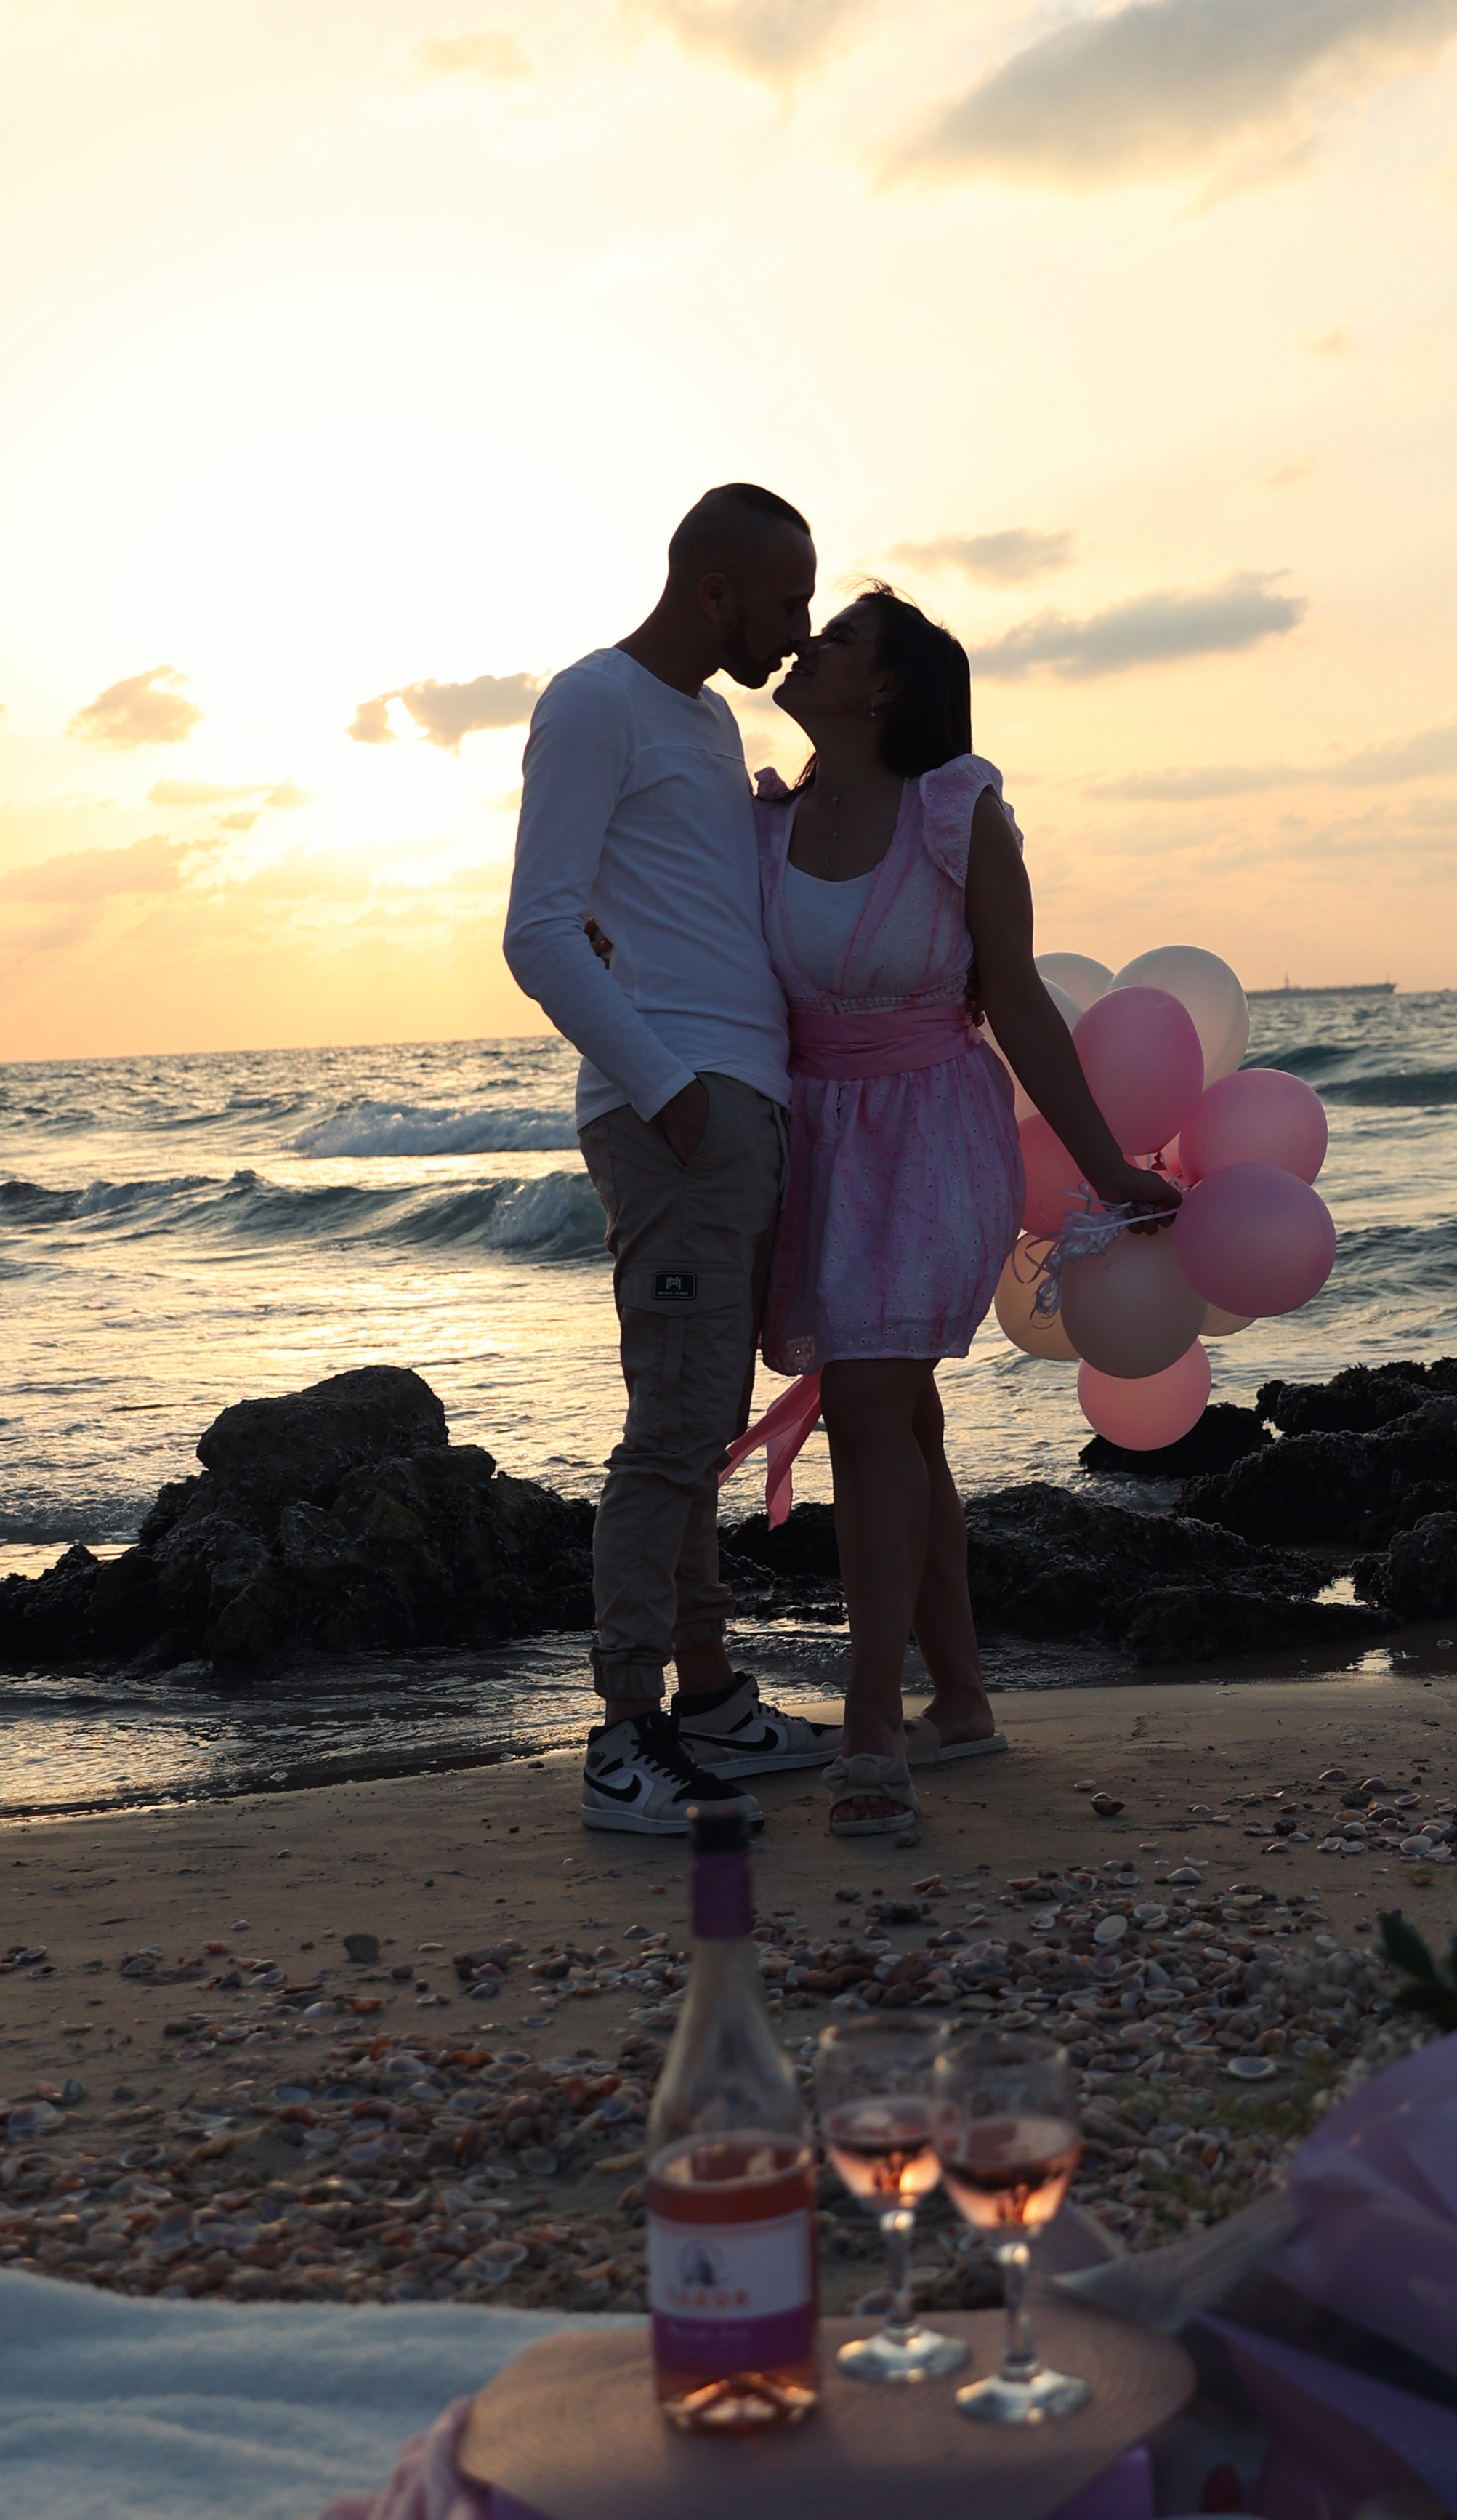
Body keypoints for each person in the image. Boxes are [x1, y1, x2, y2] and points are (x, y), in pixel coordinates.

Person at [749, 582, 1175, 1835]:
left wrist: (1105, 1169)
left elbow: (1023, 1002)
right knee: (898, 1422)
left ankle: (874, 1729)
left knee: (873, 1406)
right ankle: (967, 1707)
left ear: (883, 686)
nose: (805, 646)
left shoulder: (958, 811)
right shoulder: (765, 820)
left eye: (835, 641)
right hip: (816, 1137)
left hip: (933, 1129)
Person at [503, 483, 839, 1836]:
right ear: (716, 592)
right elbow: (536, 929)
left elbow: (681, 909)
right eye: (786, 600)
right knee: (671, 1437)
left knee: (699, 1426)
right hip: (681, 1119)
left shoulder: (706, 720)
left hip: (737, 1111)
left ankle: (707, 1705)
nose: (797, 630)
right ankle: (624, 1737)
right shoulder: (594, 701)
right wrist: (673, 1095)